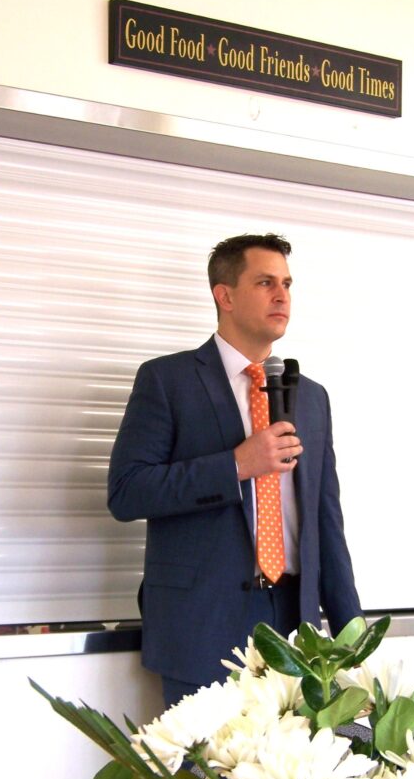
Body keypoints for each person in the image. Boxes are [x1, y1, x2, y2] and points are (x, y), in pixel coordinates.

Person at [108, 233, 362, 706]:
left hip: (295, 624)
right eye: (265, 282)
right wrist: (236, 465)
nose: (282, 295)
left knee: (288, 777)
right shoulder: (168, 380)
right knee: (201, 778)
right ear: (224, 295)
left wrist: (354, 640)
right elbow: (127, 492)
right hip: (201, 623)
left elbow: (327, 524)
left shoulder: (310, 396)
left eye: (287, 283)